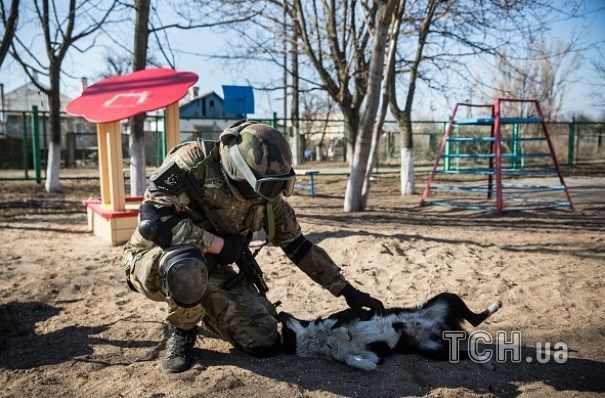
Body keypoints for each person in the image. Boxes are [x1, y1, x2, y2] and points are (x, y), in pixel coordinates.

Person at [122, 120, 385, 374]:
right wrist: (218, 244)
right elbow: (153, 221)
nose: (275, 192)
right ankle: (182, 331)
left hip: (211, 269)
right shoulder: (195, 161)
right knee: (187, 267)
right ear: (240, 171)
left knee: (264, 342)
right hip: (155, 259)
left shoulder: (266, 197)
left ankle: (201, 306)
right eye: (270, 185)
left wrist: (346, 290)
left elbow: (299, 247)